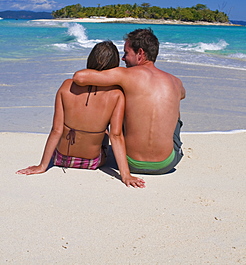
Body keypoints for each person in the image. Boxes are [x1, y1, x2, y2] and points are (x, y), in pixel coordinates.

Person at [16, 41, 145, 188]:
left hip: (61, 159)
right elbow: (116, 136)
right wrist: (125, 175)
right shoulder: (116, 95)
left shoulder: (66, 86)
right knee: (106, 132)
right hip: (92, 162)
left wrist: (42, 166)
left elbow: (56, 130)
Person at [73, 28, 186, 175]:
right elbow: (182, 95)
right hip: (166, 164)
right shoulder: (176, 82)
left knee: (120, 95)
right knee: (174, 110)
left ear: (140, 53)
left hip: (129, 162)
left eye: (126, 53)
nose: (123, 59)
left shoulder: (125, 75)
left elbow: (79, 77)